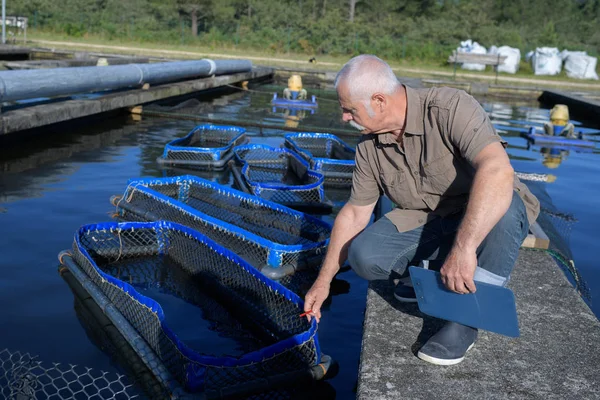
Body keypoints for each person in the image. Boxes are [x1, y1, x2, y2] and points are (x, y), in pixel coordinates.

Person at [303, 55, 540, 366]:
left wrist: (465, 249)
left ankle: (465, 318)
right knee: (364, 255)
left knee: (506, 212)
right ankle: (436, 274)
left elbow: (497, 170)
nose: (345, 117)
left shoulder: (450, 106)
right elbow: (355, 214)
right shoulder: (367, 148)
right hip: (432, 218)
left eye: (350, 109)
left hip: (484, 211)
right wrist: (324, 281)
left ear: (378, 101)